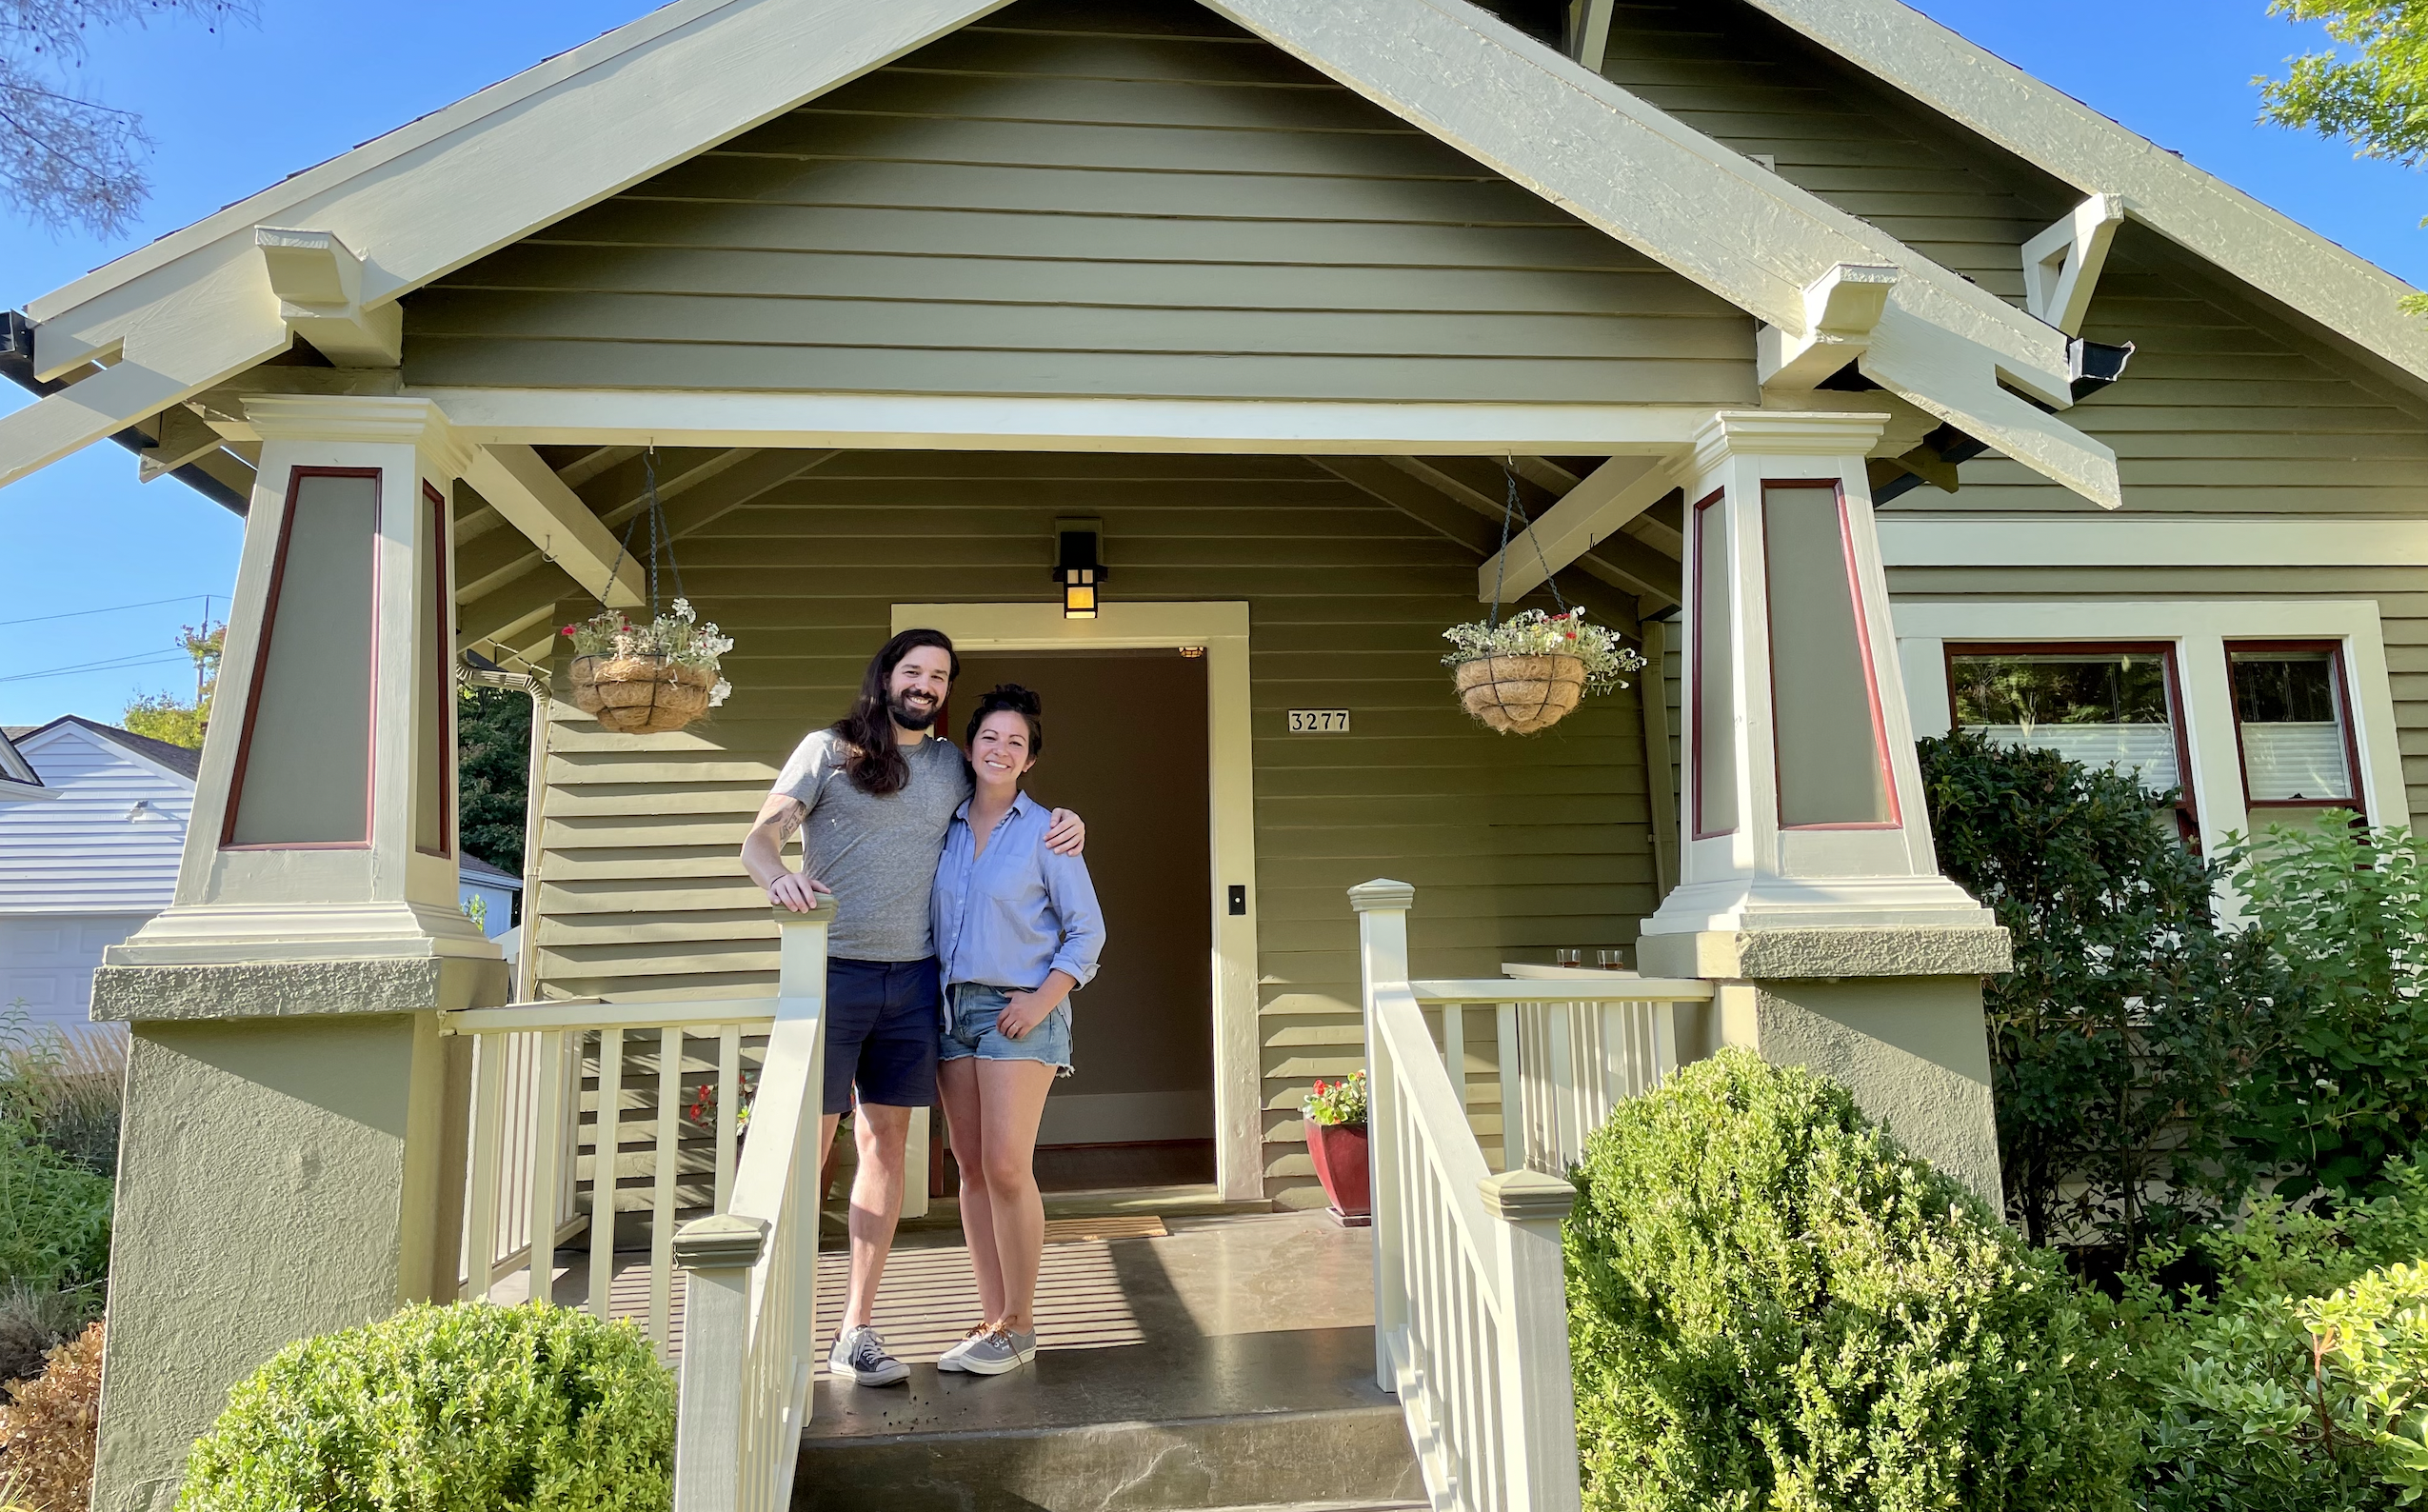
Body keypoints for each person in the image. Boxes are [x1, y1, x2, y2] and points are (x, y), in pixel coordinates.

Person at [740, 630, 1084, 1388]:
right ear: (887, 676)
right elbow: (760, 840)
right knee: (808, 1152)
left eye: (939, 676)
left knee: (887, 1149)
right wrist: (775, 880)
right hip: (834, 974)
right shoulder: (828, 750)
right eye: (913, 671)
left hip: (916, 983)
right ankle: (768, 1320)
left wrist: (1069, 821)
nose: (926, 684)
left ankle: (854, 1328)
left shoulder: (953, 767)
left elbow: (1009, 791)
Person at [928, 685, 1105, 1377]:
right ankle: (993, 1317)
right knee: (971, 1170)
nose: (1001, 750)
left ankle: (1023, 1325)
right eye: (990, 738)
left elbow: (1088, 930)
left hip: (1019, 1010)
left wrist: (1041, 999)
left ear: (1030, 761)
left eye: (1016, 743)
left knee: (1006, 1166)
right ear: (968, 747)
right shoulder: (939, 829)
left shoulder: (1048, 832)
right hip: (951, 1012)